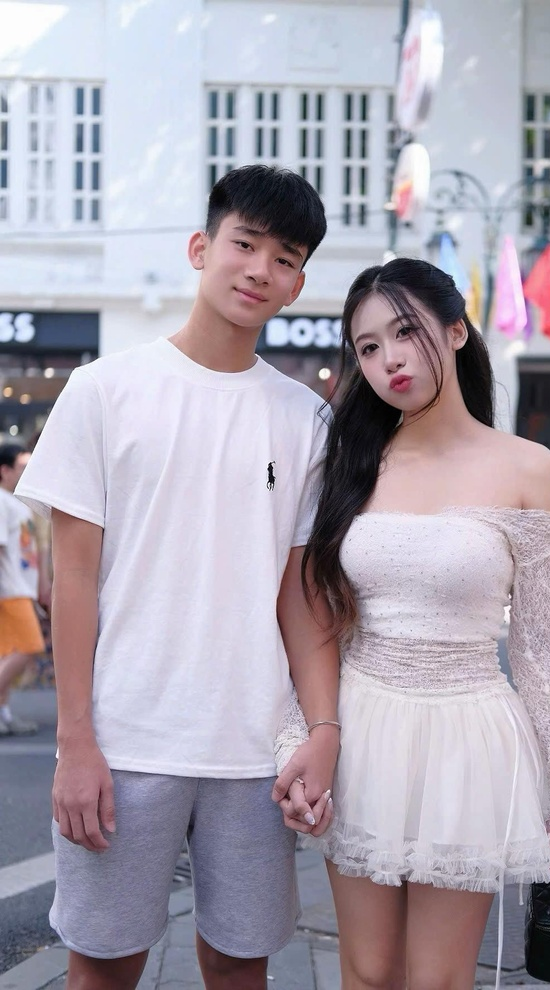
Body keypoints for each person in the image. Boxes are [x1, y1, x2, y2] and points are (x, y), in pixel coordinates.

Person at [15, 164, 339, 990]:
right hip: (126, 741)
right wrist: (76, 743)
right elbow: (73, 581)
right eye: (245, 244)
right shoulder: (103, 391)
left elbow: (300, 597)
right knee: (103, 965)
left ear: (299, 284)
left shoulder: (307, 419)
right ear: (201, 248)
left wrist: (321, 732)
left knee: (239, 965)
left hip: (255, 748)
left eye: (285, 258)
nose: (260, 269)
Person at [274, 258, 550, 990]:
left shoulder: (528, 467)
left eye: (405, 332)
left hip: (469, 741)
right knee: (367, 971)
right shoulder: (348, 461)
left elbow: (538, 647)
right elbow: (318, 618)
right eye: (368, 347)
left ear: (455, 331)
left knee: (438, 979)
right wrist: (300, 736)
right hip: (363, 731)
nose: (389, 359)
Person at [0, 443, 44, 735]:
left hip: (20, 587)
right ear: (4, 471)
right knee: (30, 646)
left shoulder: (16, 501)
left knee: (8, 653)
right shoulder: (2, 501)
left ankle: (3, 714)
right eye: (22, 467)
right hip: (10, 588)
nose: (27, 471)